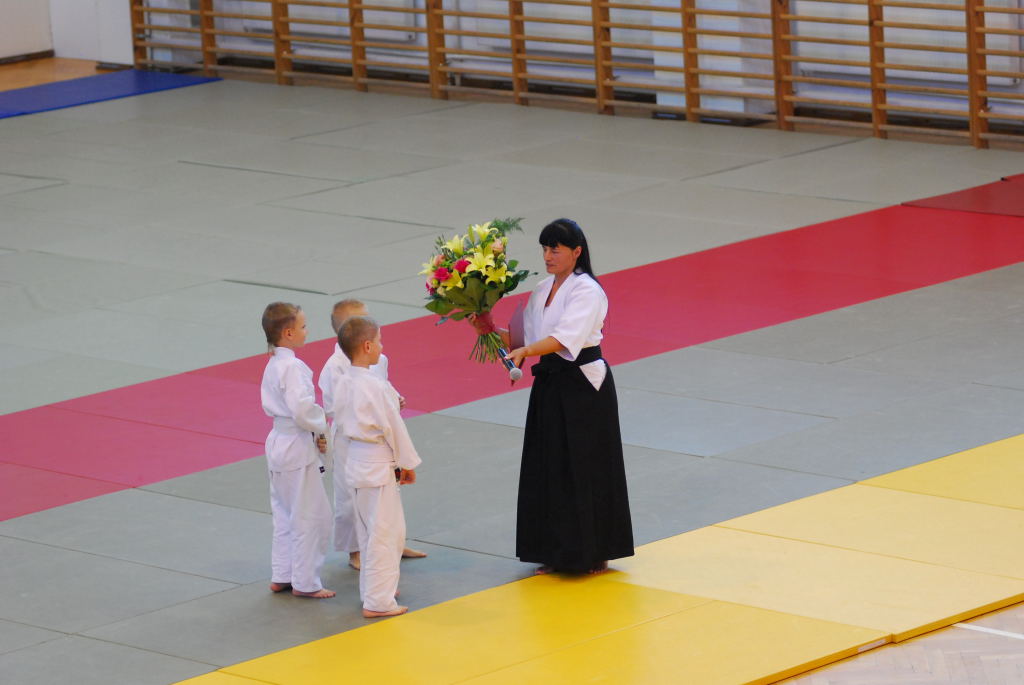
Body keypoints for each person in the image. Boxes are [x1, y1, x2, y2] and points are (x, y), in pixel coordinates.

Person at [472, 218, 634, 575]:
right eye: (544, 249)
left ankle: (593, 551)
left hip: (583, 387)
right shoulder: (542, 289)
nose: (548, 255)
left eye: (555, 249)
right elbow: (520, 340)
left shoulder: (587, 291)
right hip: (550, 384)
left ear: (576, 252)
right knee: (549, 466)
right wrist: (486, 327)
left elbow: (563, 339)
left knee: (584, 467)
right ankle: (554, 549)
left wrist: (526, 350)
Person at [318, 299, 427, 571]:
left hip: (378, 434)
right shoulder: (334, 367)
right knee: (348, 496)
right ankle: (355, 550)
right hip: (350, 438)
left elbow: (383, 385)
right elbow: (333, 407)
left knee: (388, 492)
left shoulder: (380, 358)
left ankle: (394, 543)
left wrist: (394, 399)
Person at [336, 315, 421, 617]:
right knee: (387, 533)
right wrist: (407, 463)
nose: (382, 347)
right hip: (377, 463)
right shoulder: (376, 385)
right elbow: (393, 428)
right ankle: (380, 601)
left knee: (368, 533)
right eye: (380, 341)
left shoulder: (343, 381)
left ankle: (371, 593)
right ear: (368, 345)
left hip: (355, 463)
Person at [260, 302, 335, 598]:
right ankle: (305, 582)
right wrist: (323, 426)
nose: (307, 331)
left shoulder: (275, 363)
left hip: (278, 440)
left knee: (284, 510)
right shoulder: (291, 366)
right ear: (289, 333)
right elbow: (303, 409)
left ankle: (282, 573)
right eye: (303, 326)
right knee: (311, 515)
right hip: (295, 441)